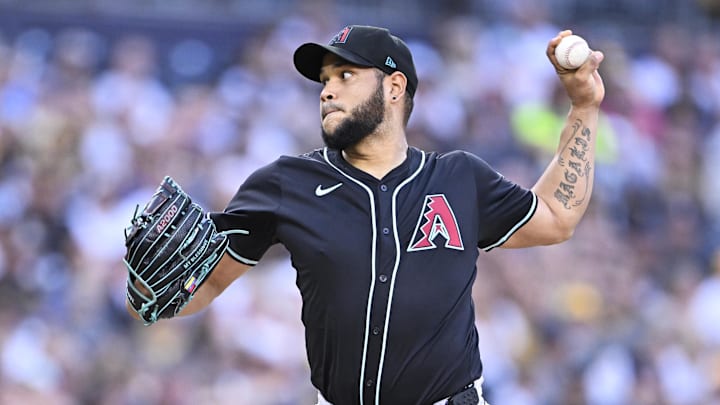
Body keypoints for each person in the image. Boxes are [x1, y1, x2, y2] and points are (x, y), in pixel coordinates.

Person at [125, 24, 605, 405]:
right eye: (325, 80)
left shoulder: (458, 178)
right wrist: (149, 294)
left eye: (345, 75)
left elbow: (556, 217)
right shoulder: (284, 183)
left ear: (395, 87)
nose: (327, 90)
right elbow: (204, 285)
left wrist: (584, 105)